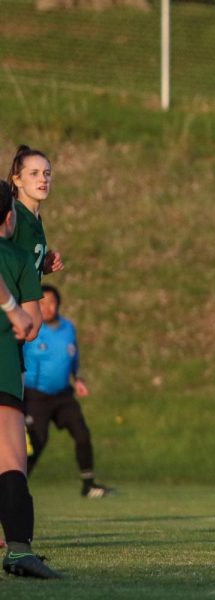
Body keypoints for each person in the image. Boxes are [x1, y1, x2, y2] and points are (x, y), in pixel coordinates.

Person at [0, 180, 62, 578]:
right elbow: (32, 327)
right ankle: (20, 550)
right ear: (9, 217)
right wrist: (14, 309)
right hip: (3, 367)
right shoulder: (17, 257)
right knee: (10, 459)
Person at [24, 285, 113, 498]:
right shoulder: (30, 328)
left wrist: (78, 378)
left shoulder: (68, 328)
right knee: (37, 441)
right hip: (36, 395)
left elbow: (73, 357)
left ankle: (88, 485)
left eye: (51, 302)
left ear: (58, 304)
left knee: (82, 434)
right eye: (42, 302)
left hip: (63, 394)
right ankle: (15, 487)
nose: (47, 307)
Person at [7, 145, 65, 280]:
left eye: (47, 173)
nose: (43, 179)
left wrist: (42, 265)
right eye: (34, 173)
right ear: (17, 180)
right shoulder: (13, 215)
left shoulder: (34, 219)